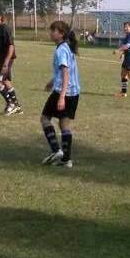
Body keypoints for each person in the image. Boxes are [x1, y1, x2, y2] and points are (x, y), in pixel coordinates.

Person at [40, 20, 81, 168]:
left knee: (45, 118)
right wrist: (52, 81)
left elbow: (66, 72)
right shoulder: (67, 47)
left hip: (64, 92)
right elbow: (63, 71)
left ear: (61, 34)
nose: (51, 33)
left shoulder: (61, 50)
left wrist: (62, 96)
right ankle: (66, 160)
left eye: (54, 30)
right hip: (74, 92)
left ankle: (56, 150)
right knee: (64, 124)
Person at [0, 10, 22, 115]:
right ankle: (17, 106)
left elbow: (11, 46)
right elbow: (1, 49)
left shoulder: (4, 28)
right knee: (6, 81)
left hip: (6, 60)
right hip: (2, 59)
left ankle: (10, 104)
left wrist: (5, 63)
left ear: (0, 17)